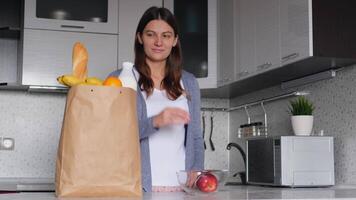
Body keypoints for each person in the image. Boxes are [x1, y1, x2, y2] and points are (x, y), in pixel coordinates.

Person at [108, 6, 204, 192]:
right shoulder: (120, 79)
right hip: (136, 189)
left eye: (166, 36)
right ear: (139, 38)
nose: (159, 42)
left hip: (181, 189)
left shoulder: (190, 82)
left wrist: (197, 169)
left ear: (175, 40)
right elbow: (113, 138)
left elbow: (196, 136)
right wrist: (156, 121)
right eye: (151, 34)